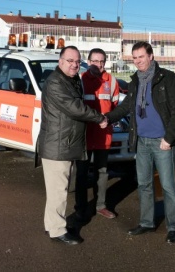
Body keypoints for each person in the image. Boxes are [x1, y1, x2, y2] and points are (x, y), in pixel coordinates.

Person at [106, 41, 175, 244]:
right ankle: (146, 223)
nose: (137, 61)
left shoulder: (168, 78)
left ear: (151, 56)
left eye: (141, 57)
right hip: (141, 141)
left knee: (169, 187)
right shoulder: (135, 81)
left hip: (162, 142)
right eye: (134, 58)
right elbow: (127, 106)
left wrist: (169, 138)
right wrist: (107, 118)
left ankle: (173, 226)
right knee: (144, 184)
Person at [38, 46, 107, 245]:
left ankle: (51, 224)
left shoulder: (71, 79)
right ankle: (58, 230)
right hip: (57, 145)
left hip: (64, 143)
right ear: (60, 61)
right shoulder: (55, 83)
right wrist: (99, 118)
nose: (75, 65)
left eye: (77, 61)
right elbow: (74, 108)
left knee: (57, 189)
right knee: (58, 190)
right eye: (70, 61)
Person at [75, 48, 120, 220]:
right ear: (88, 61)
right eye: (95, 61)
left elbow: (115, 107)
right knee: (82, 173)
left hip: (103, 135)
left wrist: (108, 120)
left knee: (102, 172)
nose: (99, 65)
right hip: (84, 135)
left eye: (102, 62)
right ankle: (80, 207)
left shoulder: (112, 81)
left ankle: (101, 205)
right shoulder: (80, 80)